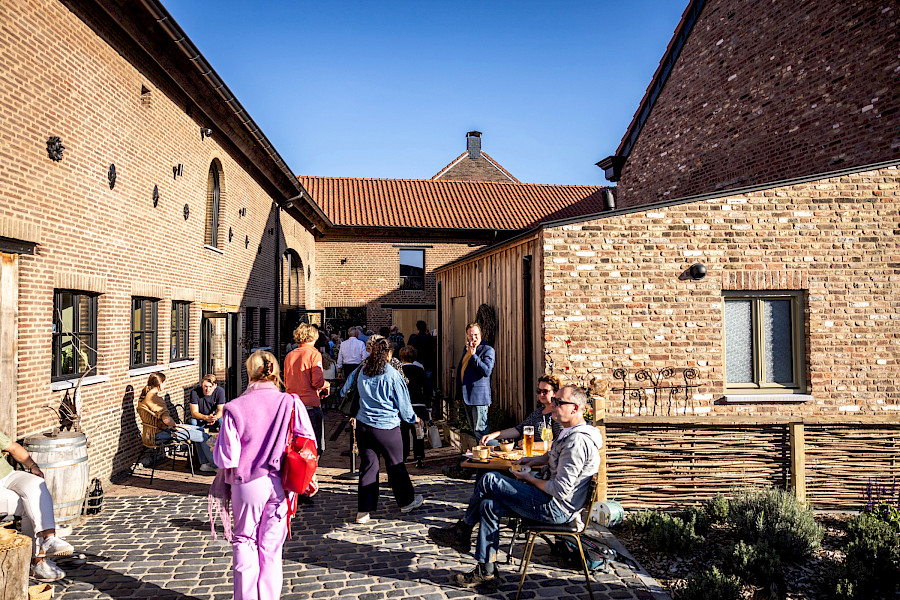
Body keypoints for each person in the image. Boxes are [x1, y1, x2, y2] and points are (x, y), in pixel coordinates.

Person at [428, 385, 602, 589]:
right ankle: (486, 570)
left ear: (575, 408)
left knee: (489, 479)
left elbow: (560, 490)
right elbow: (552, 456)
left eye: (558, 402)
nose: (553, 405)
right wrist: (531, 460)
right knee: (488, 505)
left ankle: (463, 530)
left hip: (557, 508)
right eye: (553, 401)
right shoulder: (568, 433)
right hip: (550, 500)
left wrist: (529, 478)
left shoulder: (577, 442)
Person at [214, 350, 316, 600]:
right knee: (271, 548)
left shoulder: (234, 407)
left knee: (244, 541)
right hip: (282, 482)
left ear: (248, 373)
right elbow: (308, 442)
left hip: (247, 482)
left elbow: (226, 457)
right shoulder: (291, 402)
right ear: (276, 373)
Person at [341, 337, 424, 525]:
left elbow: (346, 389)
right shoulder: (392, 374)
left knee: (369, 467)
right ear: (389, 353)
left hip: (364, 425)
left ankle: (363, 510)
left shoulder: (363, 370)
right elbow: (403, 405)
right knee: (396, 465)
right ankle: (406, 501)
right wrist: (414, 419)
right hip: (387, 427)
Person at [0, 432, 76, 582]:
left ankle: (50, 540)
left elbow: (14, 447)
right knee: (28, 504)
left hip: (8, 475)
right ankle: (37, 562)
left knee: (37, 484)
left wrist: (33, 466)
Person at [138, 372, 217, 472]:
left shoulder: (146, 396)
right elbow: (166, 419)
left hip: (157, 432)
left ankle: (204, 464)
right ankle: (215, 465)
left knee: (200, 430)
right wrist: (177, 427)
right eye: (165, 382)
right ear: (160, 384)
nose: (165, 384)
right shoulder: (154, 399)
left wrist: (178, 426)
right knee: (202, 436)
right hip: (160, 434)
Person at [284, 324, 329, 459]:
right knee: (314, 444)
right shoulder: (314, 355)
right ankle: (310, 473)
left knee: (295, 443)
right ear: (314, 336)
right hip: (310, 403)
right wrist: (326, 385)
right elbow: (317, 382)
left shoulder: (290, 355)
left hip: (292, 403)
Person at [479, 374, 563, 448]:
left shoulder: (557, 414)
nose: (541, 394)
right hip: (523, 449)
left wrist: (532, 445)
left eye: (545, 391)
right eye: (539, 391)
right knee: (488, 443)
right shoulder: (538, 412)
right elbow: (519, 429)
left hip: (541, 455)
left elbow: (561, 442)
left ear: (555, 393)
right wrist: (492, 435)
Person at [457, 322, 495, 442]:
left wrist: (474, 356)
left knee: (481, 432)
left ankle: (488, 456)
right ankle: (480, 456)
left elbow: (486, 371)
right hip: (467, 396)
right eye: (470, 335)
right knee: (474, 431)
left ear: (481, 334)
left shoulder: (487, 350)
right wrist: (458, 394)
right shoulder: (466, 349)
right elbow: (461, 371)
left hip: (479, 399)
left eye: (476, 335)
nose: (473, 338)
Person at [398, 345, 432, 464]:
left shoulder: (399, 371)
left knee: (404, 431)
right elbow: (427, 389)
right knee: (418, 431)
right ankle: (419, 456)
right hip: (418, 404)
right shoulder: (420, 370)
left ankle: (404, 454)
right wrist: (428, 405)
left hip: (403, 405)